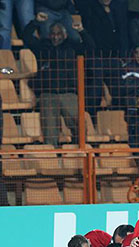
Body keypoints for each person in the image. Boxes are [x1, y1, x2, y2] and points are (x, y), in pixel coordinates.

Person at [23, 12, 95, 147]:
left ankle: (79, 153)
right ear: (49, 35)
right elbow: (26, 36)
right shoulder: (42, 47)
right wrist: (35, 22)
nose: (55, 37)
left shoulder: (73, 46)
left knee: (79, 127)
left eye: (59, 34)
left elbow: (90, 46)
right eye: (53, 34)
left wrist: (81, 31)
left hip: (69, 94)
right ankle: (53, 160)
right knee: (49, 132)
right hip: (48, 95)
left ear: (65, 35)